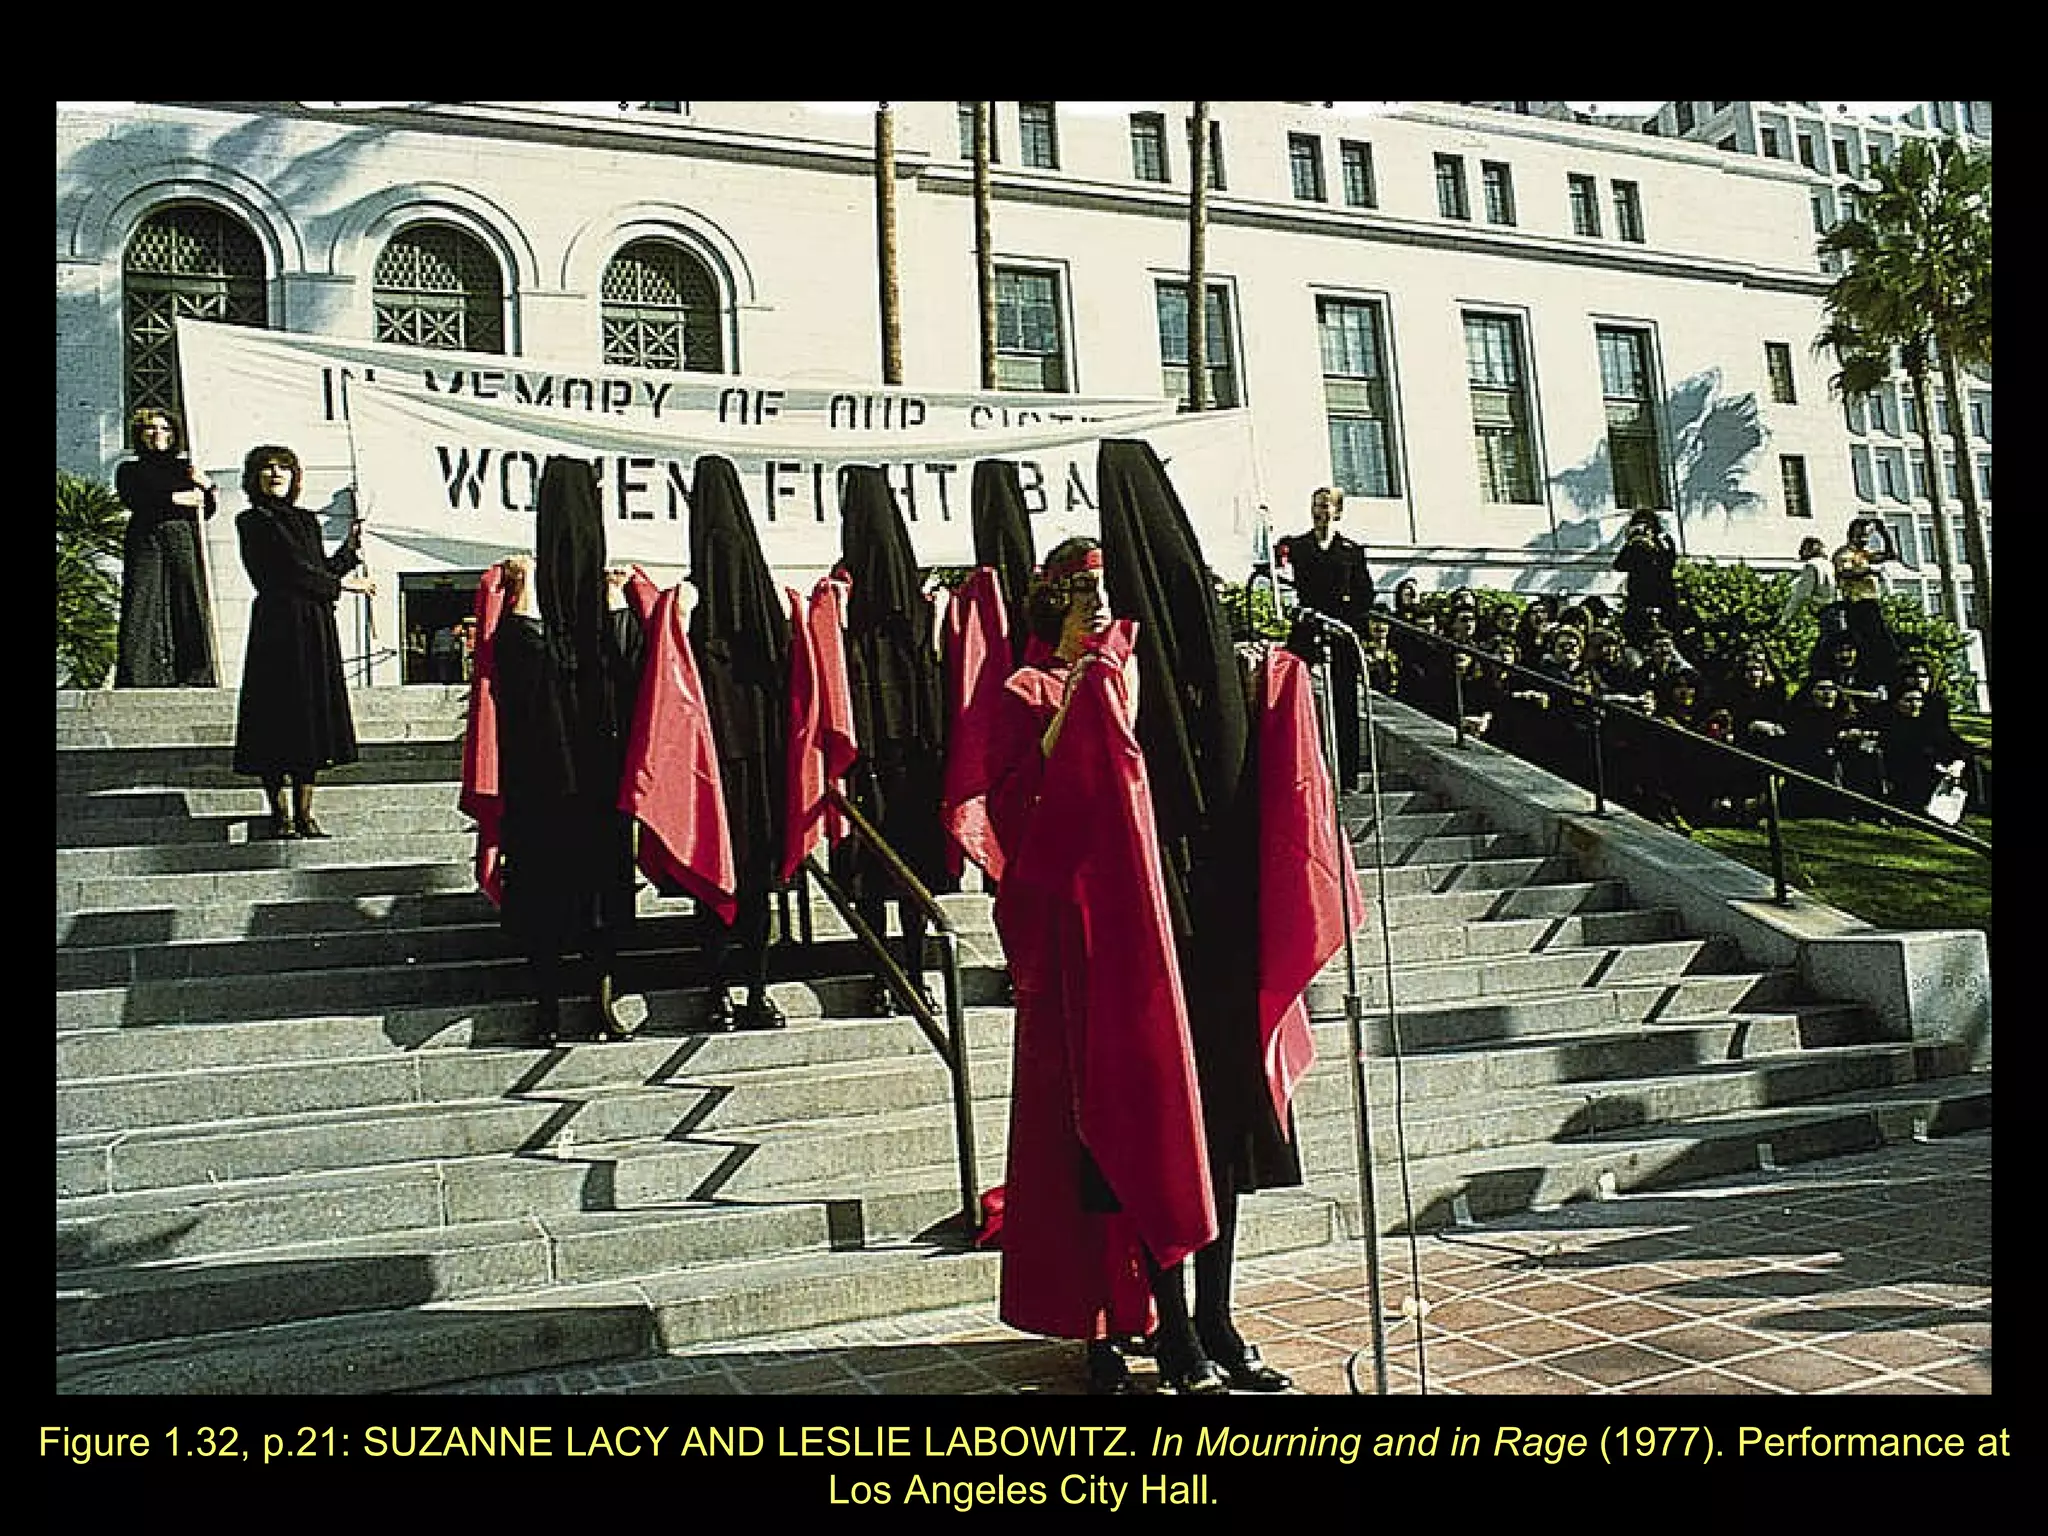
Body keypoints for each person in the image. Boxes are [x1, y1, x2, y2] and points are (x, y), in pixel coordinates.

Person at [974, 537, 1220, 1395]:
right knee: (1077, 1135)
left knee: (1154, 1118)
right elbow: (1012, 809)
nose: (1101, 611)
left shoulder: (1136, 675)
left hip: (1138, 930)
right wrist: (1076, 706)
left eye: (1105, 598)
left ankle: (1172, 1320)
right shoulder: (1026, 689)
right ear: (1058, 611)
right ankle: (1096, 1329)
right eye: (1085, 600)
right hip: (1072, 944)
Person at [490, 457, 648, 1045]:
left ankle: (599, 1002)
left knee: (599, 894)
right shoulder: (527, 596)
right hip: (545, 775)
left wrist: (615, 602)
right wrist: (528, 594)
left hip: (594, 773)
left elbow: (631, 672)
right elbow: (521, 668)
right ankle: (549, 1006)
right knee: (550, 893)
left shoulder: (601, 606)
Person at [687, 455, 791, 1033]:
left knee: (722, 881)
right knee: (753, 885)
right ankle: (751, 990)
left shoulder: (691, 609)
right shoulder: (763, 606)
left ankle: (722, 992)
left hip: (719, 766)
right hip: (756, 763)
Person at [230, 445, 373, 840]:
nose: (276, 473)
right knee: (276, 718)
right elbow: (288, 569)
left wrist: (349, 551)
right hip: (278, 626)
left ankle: (305, 814)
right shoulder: (252, 520)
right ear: (254, 476)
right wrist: (344, 586)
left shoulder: (307, 520)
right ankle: (280, 815)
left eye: (284, 467)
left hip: (313, 625)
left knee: (310, 720)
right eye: (267, 468)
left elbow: (318, 567)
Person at [1277, 486, 1374, 789]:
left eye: (1325, 506)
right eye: (1315, 506)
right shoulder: (1297, 546)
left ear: (1337, 512)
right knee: (1288, 685)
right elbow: (1280, 573)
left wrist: (1346, 621)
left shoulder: (1350, 551)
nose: (1319, 512)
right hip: (1308, 627)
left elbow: (1364, 595)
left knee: (1344, 702)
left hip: (1339, 630)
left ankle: (1347, 774)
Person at [115, 407, 218, 688]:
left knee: (188, 599)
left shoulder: (187, 469)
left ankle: (195, 673)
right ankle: (139, 675)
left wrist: (207, 487)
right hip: (147, 537)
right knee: (143, 598)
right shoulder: (131, 470)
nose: (158, 434)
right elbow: (136, 498)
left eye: (165, 428)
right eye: (151, 428)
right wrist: (175, 498)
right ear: (140, 434)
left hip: (181, 537)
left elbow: (206, 510)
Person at [1831, 516, 1901, 693]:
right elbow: (1845, 573)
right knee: (1865, 647)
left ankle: (1883, 681)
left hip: (1871, 604)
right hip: (1857, 605)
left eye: (1867, 536)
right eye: (1860, 535)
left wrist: (1884, 533)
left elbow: (1891, 555)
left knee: (1886, 648)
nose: (1864, 539)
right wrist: (1868, 571)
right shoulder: (1845, 554)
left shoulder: (1865, 554)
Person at [1612, 509, 1680, 647]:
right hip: (1638, 601)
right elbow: (1619, 565)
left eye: (1647, 524)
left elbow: (1669, 562)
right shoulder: (1634, 545)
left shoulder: (1663, 540)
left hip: (1663, 599)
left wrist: (1654, 544)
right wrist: (1631, 542)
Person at [1779, 534, 1840, 647]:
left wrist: (1785, 620)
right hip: (1836, 611)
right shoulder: (1829, 565)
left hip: (1823, 613)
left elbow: (1801, 595)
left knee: (1823, 648)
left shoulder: (1811, 566)